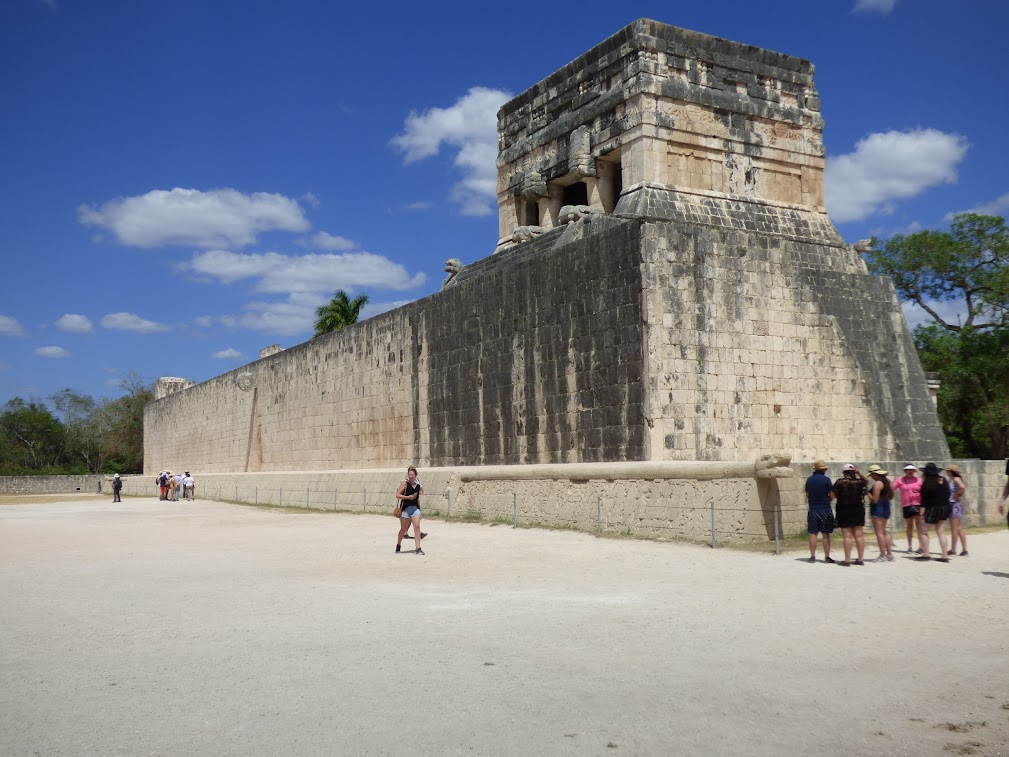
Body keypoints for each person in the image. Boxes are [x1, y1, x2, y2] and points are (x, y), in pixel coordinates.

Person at [830, 464, 868, 566]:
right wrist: (859, 472)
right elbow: (866, 481)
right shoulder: (859, 482)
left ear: (844, 472)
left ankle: (847, 560)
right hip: (858, 509)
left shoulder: (839, 482)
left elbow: (832, 495)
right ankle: (860, 559)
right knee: (859, 535)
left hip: (844, 510)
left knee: (847, 536)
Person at [917, 462, 951, 561]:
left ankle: (926, 554)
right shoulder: (943, 480)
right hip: (944, 507)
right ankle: (945, 555)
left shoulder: (926, 484)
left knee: (924, 531)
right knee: (941, 532)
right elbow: (948, 493)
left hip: (932, 509)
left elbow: (924, 501)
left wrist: (921, 514)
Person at [804, 460, 835, 563]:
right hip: (825, 509)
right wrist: (828, 500)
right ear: (824, 469)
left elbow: (807, 494)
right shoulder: (826, 480)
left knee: (813, 533)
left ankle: (812, 556)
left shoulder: (809, 480)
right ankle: (827, 557)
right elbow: (832, 494)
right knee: (826, 534)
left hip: (813, 509)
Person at [893, 464, 925, 553]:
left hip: (917, 504)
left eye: (912, 470)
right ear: (905, 471)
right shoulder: (900, 480)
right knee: (909, 526)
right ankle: (910, 546)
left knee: (919, 526)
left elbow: (924, 491)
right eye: (908, 470)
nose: (910, 472)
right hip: (906, 505)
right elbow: (892, 488)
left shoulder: (919, 480)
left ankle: (921, 546)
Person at [866, 465, 894, 562]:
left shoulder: (878, 484)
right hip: (886, 507)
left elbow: (874, 499)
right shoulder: (886, 482)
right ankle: (889, 554)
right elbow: (891, 496)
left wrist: (867, 493)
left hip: (878, 508)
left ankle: (882, 555)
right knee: (884, 532)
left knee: (879, 533)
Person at [395, 466, 424, 555]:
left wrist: (420, 510)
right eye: (409, 474)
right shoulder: (405, 484)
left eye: (412, 474)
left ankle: (418, 548)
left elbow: (417, 499)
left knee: (417, 527)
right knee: (403, 529)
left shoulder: (418, 486)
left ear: (415, 475)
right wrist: (408, 497)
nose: (411, 476)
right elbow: (397, 495)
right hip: (406, 509)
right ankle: (398, 545)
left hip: (415, 509)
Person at [946, 464, 967, 557]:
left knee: (954, 529)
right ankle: (964, 549)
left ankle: (953, 549)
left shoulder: (955, 479)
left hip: (953, 504)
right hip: (955, 504)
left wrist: (956, 494)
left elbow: (962, 487)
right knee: (959, 528)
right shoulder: (953, 479)